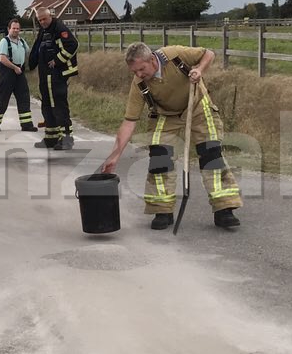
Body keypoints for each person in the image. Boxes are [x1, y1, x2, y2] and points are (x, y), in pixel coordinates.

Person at [101, 42, 242, 230]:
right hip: (165, 115)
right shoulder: (139, 84)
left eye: (141, 69)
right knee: (160, 160)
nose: (139, 75)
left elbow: (208, 53)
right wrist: (115, 154)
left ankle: (224, 209)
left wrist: (199, 69)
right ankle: (163, 211)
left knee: (211, 156)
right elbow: (129, 121)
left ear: (152, 59)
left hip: (198, 106)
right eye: (134, 72)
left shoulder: (175, 55)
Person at [28, 5, 78, 150]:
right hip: (44, 73)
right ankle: (51, 137)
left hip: (57, 74)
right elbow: (38, 48)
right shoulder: (43, 31)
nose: (42, 22)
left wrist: (57, 60)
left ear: (50, 16)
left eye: (44, 19)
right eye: (40, 20)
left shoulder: (59, 28)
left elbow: (73, 45)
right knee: (47, 105)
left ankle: (67, 139)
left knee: (59, 104)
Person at [0, 18, 35, 132]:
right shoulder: (4, 41)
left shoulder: (22, 42)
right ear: (8, 29)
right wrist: (14, 67)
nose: (15, 30)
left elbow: (28, 52)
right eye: (13, 28)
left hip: (19, 72)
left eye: (18, 29)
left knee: (24, 97)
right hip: (8, 73)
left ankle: (26, 125)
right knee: (3, 99)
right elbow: (2, 58)